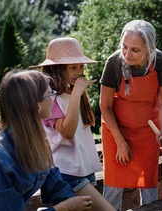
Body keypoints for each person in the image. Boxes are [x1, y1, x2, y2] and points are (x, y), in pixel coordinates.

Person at [0, 70, 93, 211]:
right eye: (50, 94)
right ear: (37, 106)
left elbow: (56, 187)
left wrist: (79, 204)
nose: (54, 98)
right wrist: (62, 209)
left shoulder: (37, 141)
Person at [30, 37, 115, 210]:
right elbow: (67, 132)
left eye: (81, 66)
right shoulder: (51, 99)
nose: (79, 71)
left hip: (83, 167)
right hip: (67, 171)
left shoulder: (72, 94)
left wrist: (76, 94)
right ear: (56, 69)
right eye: (72, 67)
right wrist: (77, 94)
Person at [99, 19, 162, 210]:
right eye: (124, 47)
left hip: (148, 130)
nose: (127, 54)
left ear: (149, 50)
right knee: (113, 186)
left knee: (148, 184)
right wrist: (120, 142)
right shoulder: (114, 63)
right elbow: (105, 106)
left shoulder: (161, 62)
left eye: (135, 50)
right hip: (116, 129)